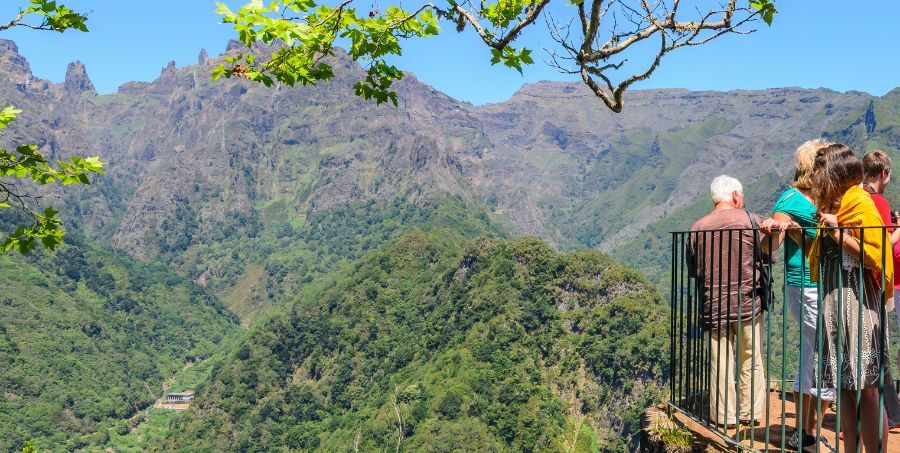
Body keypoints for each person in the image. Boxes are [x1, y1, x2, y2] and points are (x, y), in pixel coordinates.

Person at [809, 144, 894, 452]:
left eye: (820, 171)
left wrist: (838, 232)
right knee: (844, 386)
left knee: (867, 388)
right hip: (834, 302)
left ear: (835, 172)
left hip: (857, 302)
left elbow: (876, 254)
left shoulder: (859, 202)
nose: (815, 177)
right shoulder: (834, 206)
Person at [761, 139, 836, 451]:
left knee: (813, 353)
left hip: (823, 282)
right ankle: (806, 431)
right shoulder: (790, 200)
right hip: (806, 283)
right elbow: (771, 245)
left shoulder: (823, 197)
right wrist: (772, 230)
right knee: (824, 353)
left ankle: (803, 432)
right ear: (813, 166)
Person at [689, 175, 775, 427]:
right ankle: (750, 412)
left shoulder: (698, 227)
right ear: (735, 196)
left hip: (713, 305)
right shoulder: (750, 221)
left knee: (720, 363)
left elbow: (695, 270)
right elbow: (767, 255)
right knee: (751, 358)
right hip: (748, 303)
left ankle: (724, 418)